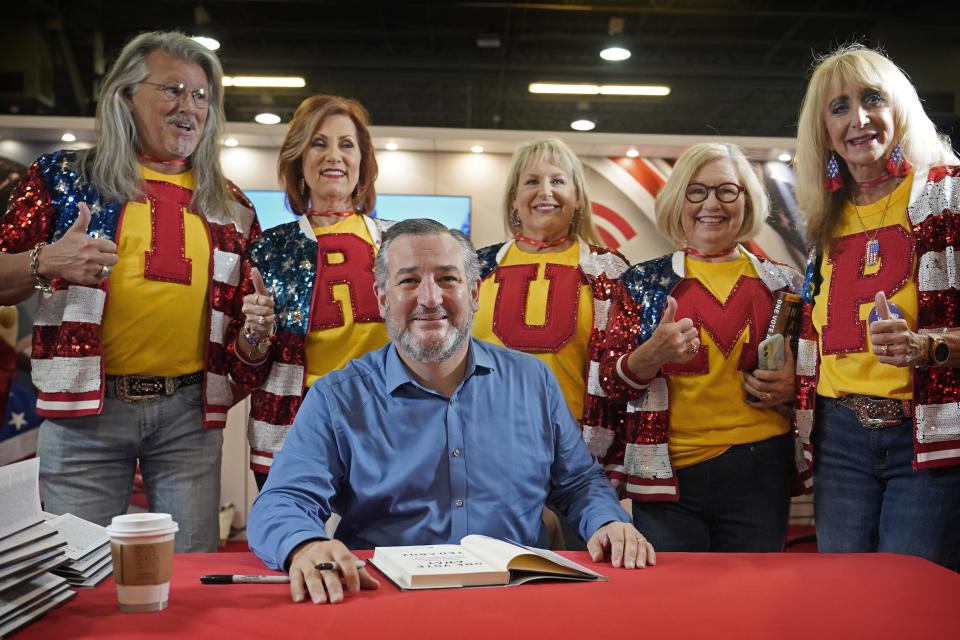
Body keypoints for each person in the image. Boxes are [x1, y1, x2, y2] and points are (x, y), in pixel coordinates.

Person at [247, 218, 655, 604]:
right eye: (409, 281)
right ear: (383, 298)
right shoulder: (338, 397)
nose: (430, 298)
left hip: (517, 598)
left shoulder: (534, 382)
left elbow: (579, 482)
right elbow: (283, 499)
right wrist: (304, 544)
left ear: (474, 293)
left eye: (447, 279)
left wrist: (607, 520)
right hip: (386, 601)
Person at [0, 31, 259, 552]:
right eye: (173, 90)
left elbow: (242, 333)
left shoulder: (232, 205)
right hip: (84, 416)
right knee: (78, 583)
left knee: (187, 582)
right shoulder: (63, 177)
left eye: (201, 96)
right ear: (125, 96)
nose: (189, 106)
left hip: (189, 416)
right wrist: (45, 259)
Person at [793, 44, 960, 569]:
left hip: (927, 436)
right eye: (838, 107)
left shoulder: (947, 194)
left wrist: (925, 347)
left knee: (908, 602)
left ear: (900, 110)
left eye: (872, 99)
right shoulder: (825, 219)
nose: (858, 118)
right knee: (844, 602)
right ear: (822, 130)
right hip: (838, 437)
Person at [596, 142, 803, 552]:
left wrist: (794, 386)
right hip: (667, 475)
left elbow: (814, 383)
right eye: (697, 191)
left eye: (727, 190)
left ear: (747, 199)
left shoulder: (785, 284)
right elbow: (611, 385)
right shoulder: (641, 283)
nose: (712, 203)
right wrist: (652, 354)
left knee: (752, 603)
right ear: (678, 200)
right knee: (674, 607)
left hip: (761, 467)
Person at [472, 138, 629, 548]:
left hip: (576, 460)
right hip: (482, 454)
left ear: (577, 198)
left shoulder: (610, 271)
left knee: (578, 586)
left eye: (558, 180)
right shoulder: (474, 268)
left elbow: (623, 375)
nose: (545, 191)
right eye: (531, 181)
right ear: (513, 199)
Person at [230, 95, 391, 488]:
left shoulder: (397, 241)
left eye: (346, 144)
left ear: (362, 163)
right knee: (294, 545)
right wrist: (255, 332)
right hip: (289, 430)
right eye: (319, 143)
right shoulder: (268, 248)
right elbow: (245, 367)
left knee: (379, 549)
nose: (333, 155)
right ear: (299, 159)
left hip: (385, 430)